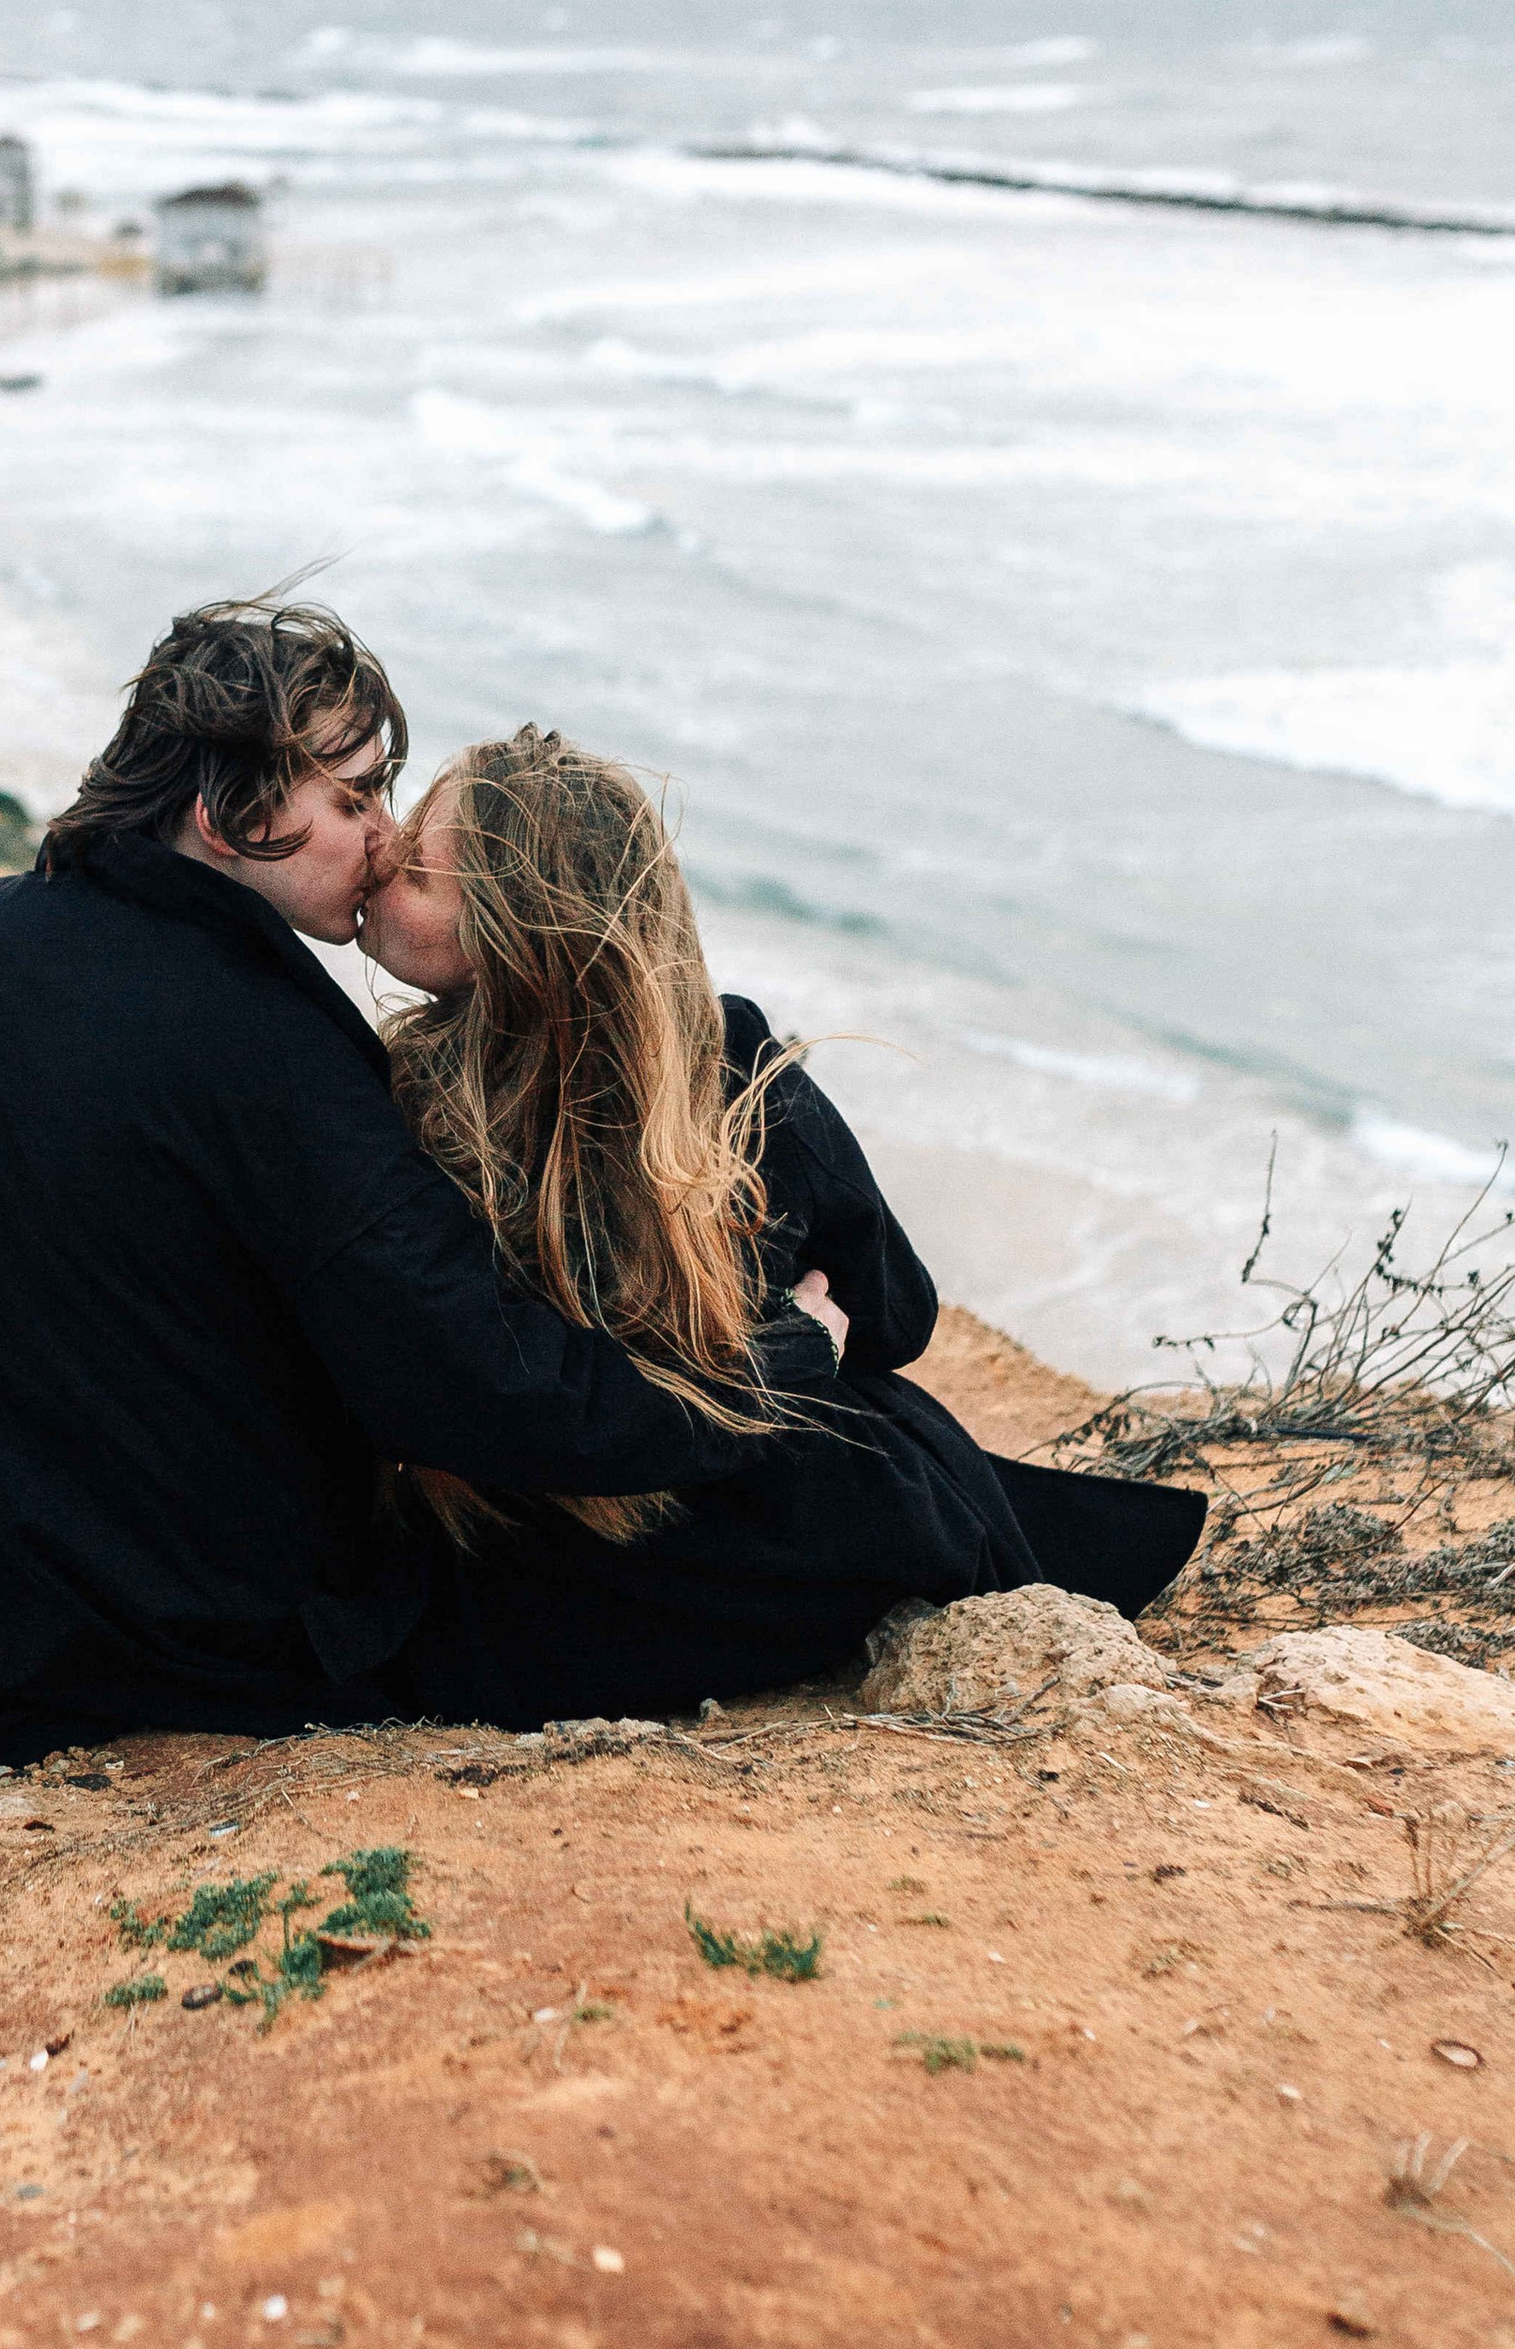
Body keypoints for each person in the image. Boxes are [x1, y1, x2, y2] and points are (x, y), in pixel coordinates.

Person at [0, 602, 848, 1792]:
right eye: (352, 799)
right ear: (227, 816)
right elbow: (488, 1393)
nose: (384, 840)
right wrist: (780, 1365)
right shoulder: (263, 1041)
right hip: (127, 1656)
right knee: (839, 1511)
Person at [358, 727, 1206, 1725]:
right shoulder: (732, 1066)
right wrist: (793, 1342)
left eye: (414, 861)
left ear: (515, 930)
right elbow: (895, 1314)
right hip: (731, 1536)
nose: (376, 855)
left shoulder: (387, 1097)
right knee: (885, 1436)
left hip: (539, 1569)